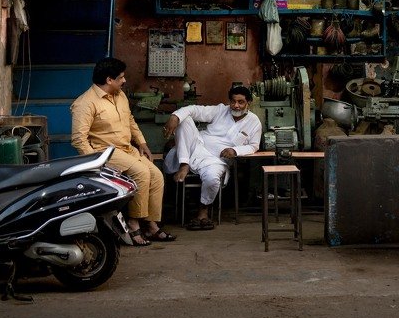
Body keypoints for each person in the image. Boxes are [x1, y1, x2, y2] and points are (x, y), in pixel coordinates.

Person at [71, 57, 174, 247]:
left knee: (157, 175)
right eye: (121, 78)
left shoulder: (120, 95)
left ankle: (151, 224)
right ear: (109, 80)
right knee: (142, 173)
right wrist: (95, 162)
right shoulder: (85, 103)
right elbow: (79, 139)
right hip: (106, 152)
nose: (124, 81)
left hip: (128, 149)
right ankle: (134, 224)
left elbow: (131, 121)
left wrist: (143, 144)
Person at [163, 85, 262, 231]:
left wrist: (235, 150)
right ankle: (184, 164)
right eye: (233, 101)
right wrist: (175, 116)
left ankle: (203, 211)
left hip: (217, 160)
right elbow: (193, 109)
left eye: (241, 102)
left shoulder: (254, 122)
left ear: (249, 103)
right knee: (185, 120)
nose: (236, 105)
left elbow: (253, 146)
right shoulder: (220, 110)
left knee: (212, 178)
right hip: (197, 147)